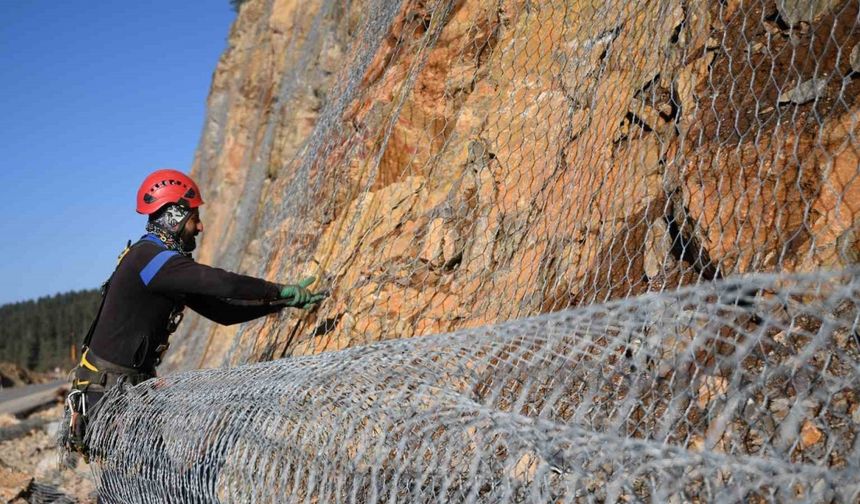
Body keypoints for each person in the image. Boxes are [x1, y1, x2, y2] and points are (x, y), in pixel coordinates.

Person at [62, 168, 326, 460]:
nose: (199, 227)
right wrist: (278, 290)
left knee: (144, 478)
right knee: (137, 478)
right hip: (109, 391)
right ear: (174, 217)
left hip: (120, 390)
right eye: (194, 218)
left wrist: (280, 304)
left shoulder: (158, 264)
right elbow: (221, 283)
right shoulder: (151, 260)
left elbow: (222, 312)